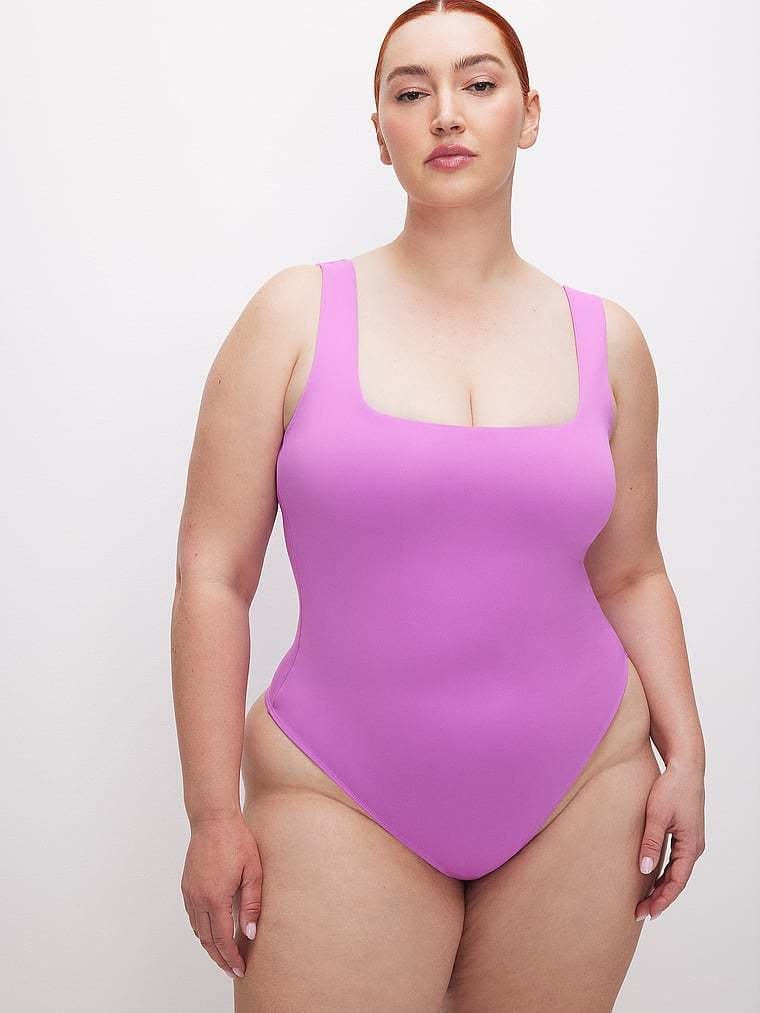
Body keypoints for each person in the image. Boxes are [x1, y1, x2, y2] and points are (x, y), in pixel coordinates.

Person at [171, 2, 707, 1009]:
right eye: (410, 92)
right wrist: (210, 814)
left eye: (478, 83)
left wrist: (687, 754)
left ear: (529, 114)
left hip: (585, 786)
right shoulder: (292, 316)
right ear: (381, 133)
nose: (445, 113)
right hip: (336, 787)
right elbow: (214, 574)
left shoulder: (609, 341)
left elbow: (632, 569)